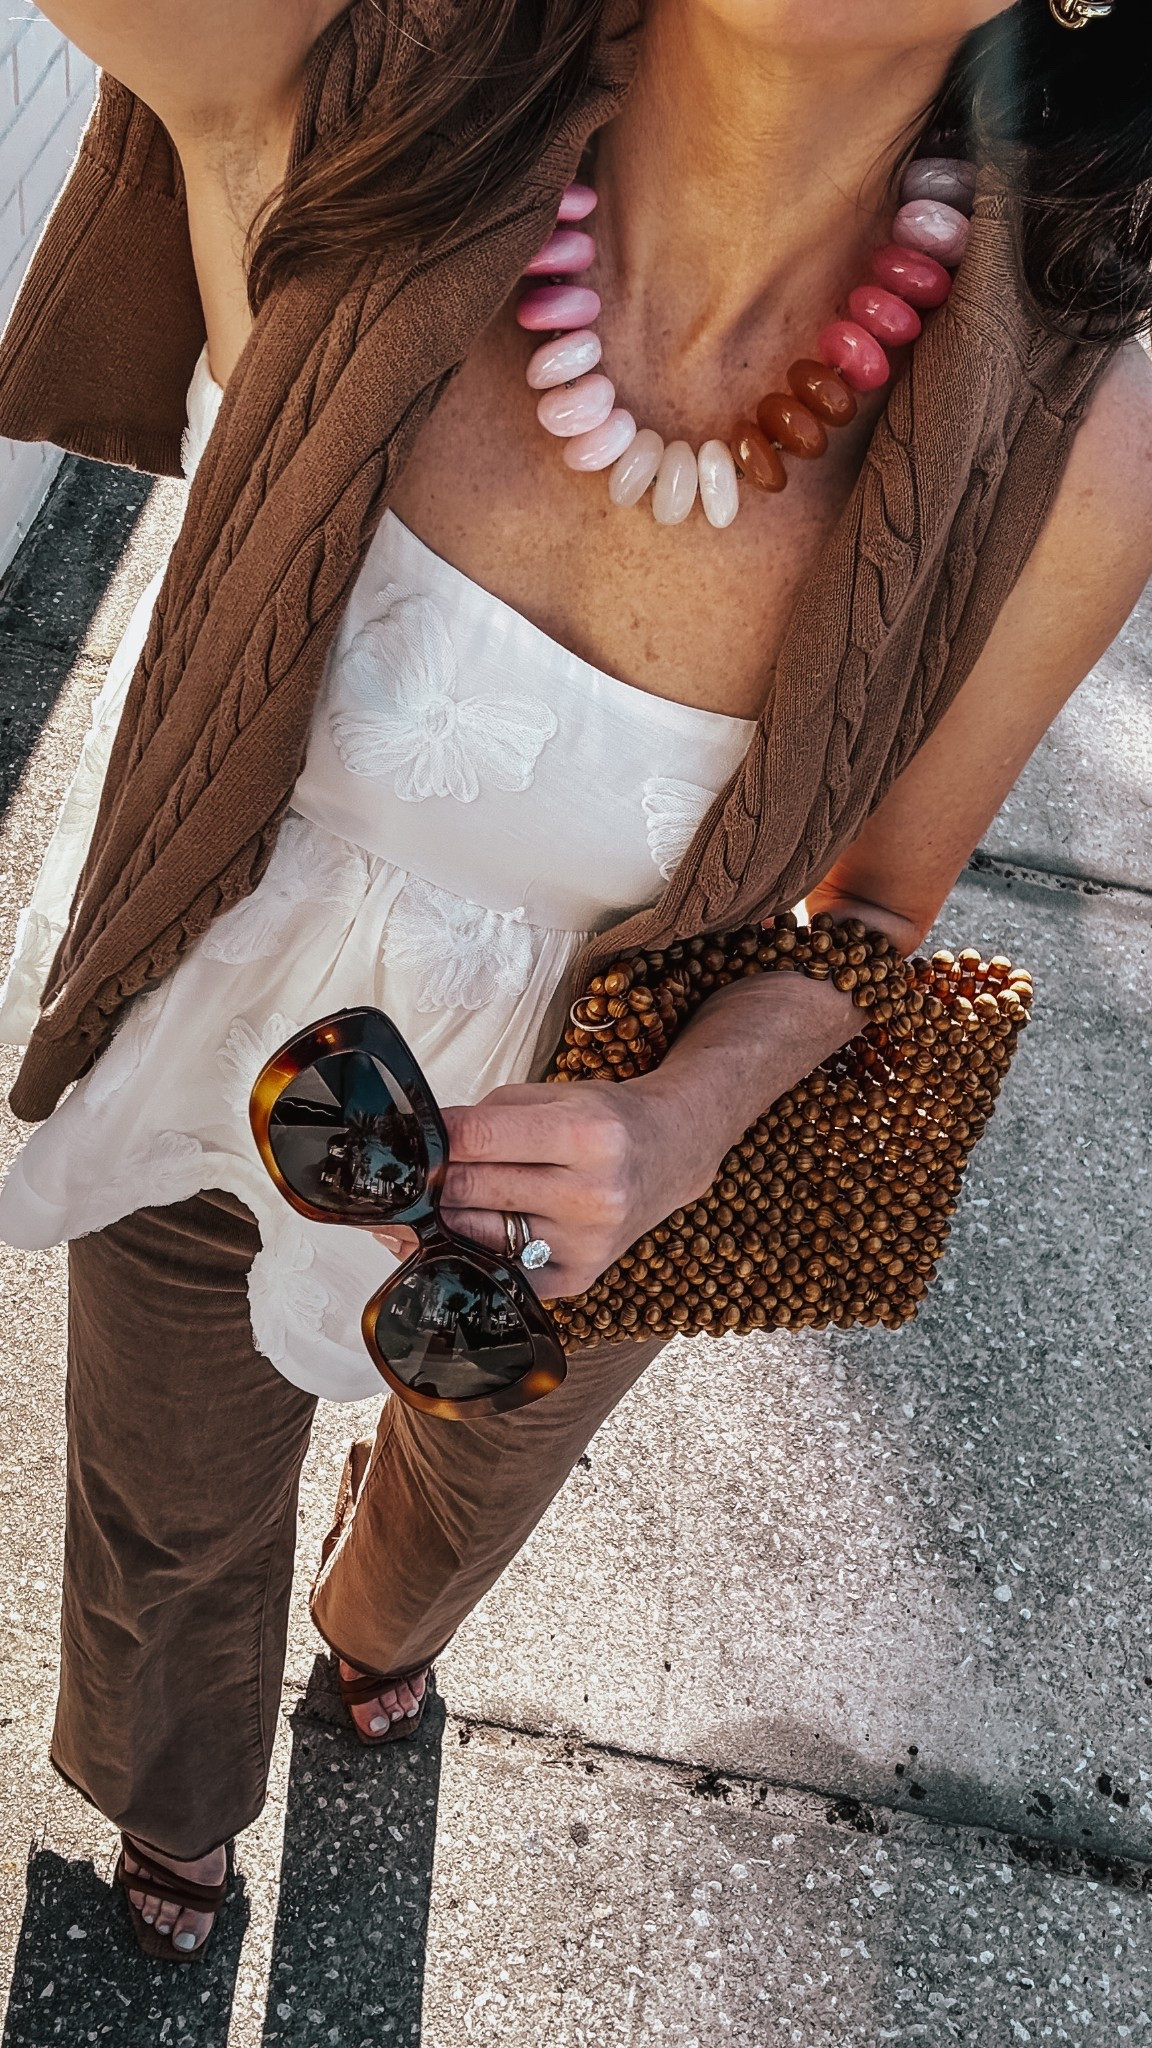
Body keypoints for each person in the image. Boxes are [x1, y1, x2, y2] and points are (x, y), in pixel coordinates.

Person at [0, 0, 1149, 1964]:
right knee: (164, 1507)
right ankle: (174, 1811)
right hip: (213, 1047)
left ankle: (383, 1620)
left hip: (589, 1192)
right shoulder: (329, 77)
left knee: (458, 1499)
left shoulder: (1076, 419)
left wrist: (677, 1121)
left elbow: (875, 912)